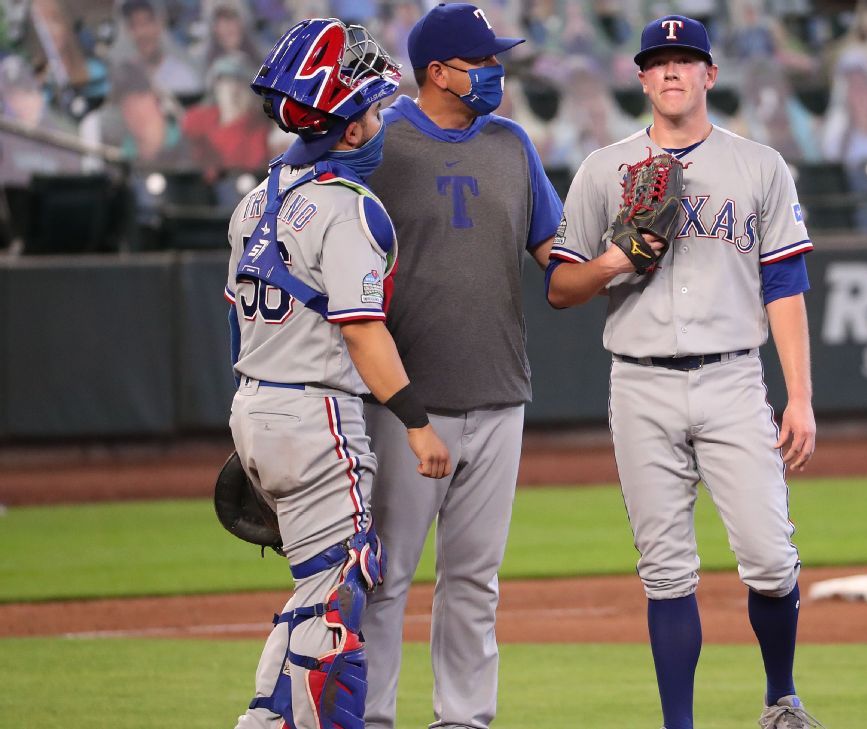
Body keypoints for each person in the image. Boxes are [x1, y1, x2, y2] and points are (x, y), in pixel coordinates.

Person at [547, 15, 821, 729]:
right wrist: (616, 259)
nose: (671, 71)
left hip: (733, 377)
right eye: (658, 61)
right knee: (666, 572)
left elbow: (785, 285)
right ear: (640, 78)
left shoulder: (759, 165)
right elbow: (561, 287)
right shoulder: (604, 170)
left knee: (769, 557)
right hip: (639, 382)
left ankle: (781, 698)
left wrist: (800, 397)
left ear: (710, 75)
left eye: (685, 59)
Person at [224, 17, 450, 729]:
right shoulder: (348, 208)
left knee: (313, 588)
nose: (381, 121)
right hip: (316, 413)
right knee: (339, 596)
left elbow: (236, 323)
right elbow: (362, 329)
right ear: (349, 128)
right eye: (375, 110)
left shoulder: (253, 201)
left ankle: (264, 719)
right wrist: (416, 424)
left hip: (256, 400)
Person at [358, 4, 562, 729]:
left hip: (501, 395)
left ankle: (464, 719)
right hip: (405, 404)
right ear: (438, 71)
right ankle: (371, 718)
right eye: (481, 61)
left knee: (475, 580)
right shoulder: (377, 146)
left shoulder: (513, 144)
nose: (495, 72)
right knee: (383, 581)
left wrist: (618, 259)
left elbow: (556, 264)